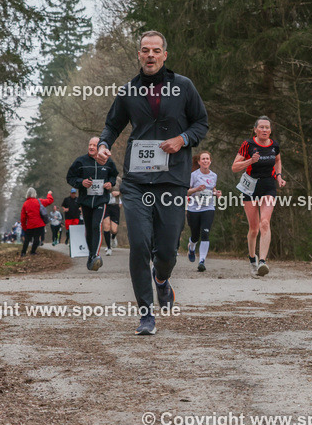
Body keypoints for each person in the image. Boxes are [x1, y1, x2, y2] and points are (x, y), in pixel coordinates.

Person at [96, 31, 209, 335]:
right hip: (137, 180)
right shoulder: (129, 90)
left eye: (156, 50)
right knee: (139, 245)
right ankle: (146, 314)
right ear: (138, 55)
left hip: (172, 179)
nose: (150, 55)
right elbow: (112, 125)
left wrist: (182, 139)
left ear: (164, 55)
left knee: (168, 250)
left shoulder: (183, 86)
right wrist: (105, 144)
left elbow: (201, 123)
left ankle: (162, 280)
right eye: (145, 50)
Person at [232, 116, 285, 276]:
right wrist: (250, 161)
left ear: (270, 130)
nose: (264, 130)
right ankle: (252, 258)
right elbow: (234, 167)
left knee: (265, 223)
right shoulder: (247, 145)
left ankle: (262, 261)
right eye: (261, 127)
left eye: (267, 127)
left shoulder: (274, 144)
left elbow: (277, 160)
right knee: (254, 229)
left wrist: (279, 176)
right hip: (250, 188)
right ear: (255, 129)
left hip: (268, 186)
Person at [67, 136, 119, 270]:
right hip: (85, 201)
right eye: (90, 144)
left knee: (96, 225)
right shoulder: (81, 161)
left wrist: (110, 184)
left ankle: (95, 255)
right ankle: (91, 256)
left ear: (100, 147)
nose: (91, 147)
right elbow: (70, 177)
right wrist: (81, 183)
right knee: (89, 228)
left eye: (94, 145)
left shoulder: (107, 162)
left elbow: (114, 176)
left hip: (101, 200)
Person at [186, 151, 221, 272]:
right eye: (203, 159)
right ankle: (191, 247)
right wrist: (197, 189)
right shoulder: (193, 175)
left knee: (205, 233)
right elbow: (186, 192)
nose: (205, 161)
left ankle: (201, 261)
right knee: (195, 236)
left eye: (207, 159)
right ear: (199, 162)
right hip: (193, 208)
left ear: (210, 161)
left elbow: (213, 189)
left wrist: (217, 193)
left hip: (208, 207)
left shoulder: (214, 175)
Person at [19, 188, 54, 256]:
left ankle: (23, 252)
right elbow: (50, 201)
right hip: (39, 224)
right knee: (36, 238)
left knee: (27, 239)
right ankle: (33, 251)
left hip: (30, 225)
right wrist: (49, 194)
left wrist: (24, 227)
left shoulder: (25, 204)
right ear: (35, 194)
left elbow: (23, 218)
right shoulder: (39, 201)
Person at [103, 188, 121, 254]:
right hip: (105, 205)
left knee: (114, 230)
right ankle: (108, 248)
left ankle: (113, 237)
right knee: (106, 226)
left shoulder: (118, 179)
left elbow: (125, 190)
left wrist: (119, 192)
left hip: (115, 206)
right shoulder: (104, 179)